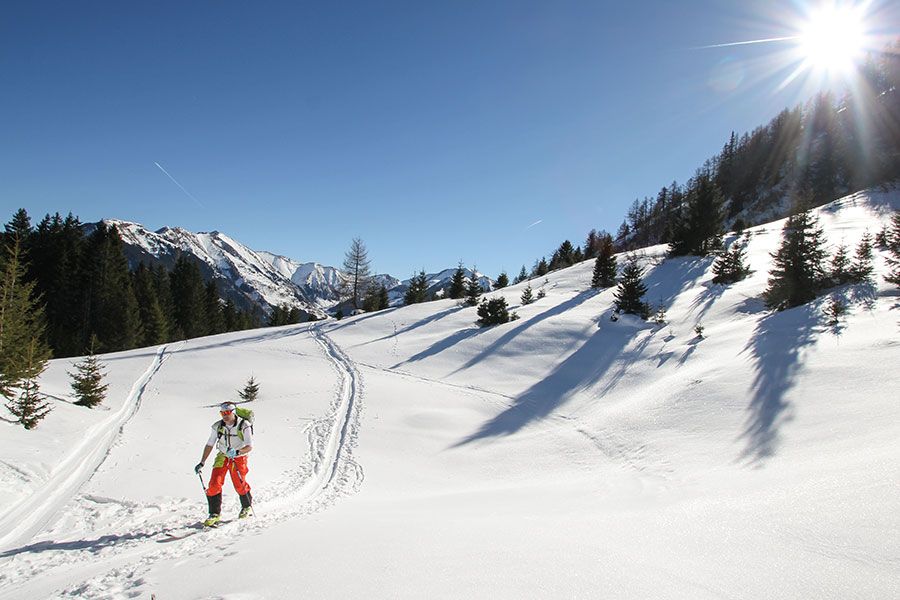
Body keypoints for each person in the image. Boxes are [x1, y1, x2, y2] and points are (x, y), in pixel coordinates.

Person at [194, 402, 253, 526]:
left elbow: (249, 446)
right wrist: (202, 462)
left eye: (227, 413)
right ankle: (214, 514)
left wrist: (237, 451)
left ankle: (246, 506)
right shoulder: (218, 426)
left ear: (233, 412)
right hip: (223, 455)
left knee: (239, 483)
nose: (225, 416)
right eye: (222, 413)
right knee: (214, 483)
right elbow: (210, 444)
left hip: (238, 457)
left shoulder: (244, 425)